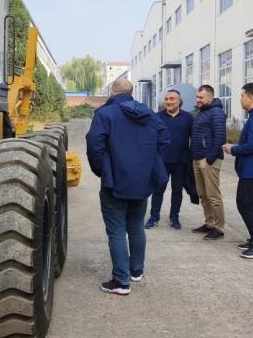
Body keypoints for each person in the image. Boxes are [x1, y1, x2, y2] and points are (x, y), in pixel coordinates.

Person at [86, 78, 170, 295]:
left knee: (116, 230)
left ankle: (121, 281)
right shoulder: (150, 114)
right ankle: (136, 270)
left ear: (112, 93)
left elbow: (95, 146)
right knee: (136, 226)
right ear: (131, 93)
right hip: (142, 181)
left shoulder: (105, 114)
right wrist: (149, 165)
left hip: (115, 181)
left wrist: (102, 170)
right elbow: (164, 141)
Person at [223, 82, 253, 259]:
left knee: (244, 203)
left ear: (251, 98)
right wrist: (235, 146)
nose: (240, 99)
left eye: (242, 96)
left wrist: (233, 149)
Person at [145, 89, 194, 230]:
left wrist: (188, 156)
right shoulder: (157, 117)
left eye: (172, 99)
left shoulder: (188, 118)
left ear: (179, 101)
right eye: (166, 99)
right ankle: (154, 217)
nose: (168, 102)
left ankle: (174, 217)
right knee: (158, 189)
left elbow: (194, 138)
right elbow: (150, 137)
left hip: (180, 162)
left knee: (177, 190)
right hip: (161, 161)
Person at [190, 85, 227, 240]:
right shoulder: (201, 112)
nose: (198, 100)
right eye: (197, 97)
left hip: (209, 160)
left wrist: (209, 158)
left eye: (201, 97)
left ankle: (218, 228)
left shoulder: (216, 112)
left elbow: (220, 137)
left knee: (213, 195)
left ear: (210, 98)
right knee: (203, 194)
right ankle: (209, 223)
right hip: (198, 158)